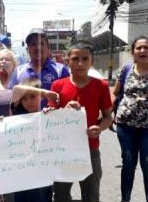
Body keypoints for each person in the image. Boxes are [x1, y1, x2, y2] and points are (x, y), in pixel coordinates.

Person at [49, 40, 113, 202]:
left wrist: (99, 128)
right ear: (67, 60)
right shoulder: (57, 85)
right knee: (61, 196)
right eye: (75, 58)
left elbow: (108, 117)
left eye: (85, 59)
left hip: (90, 150)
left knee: (91, 195)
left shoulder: (101, 86)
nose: (80, 63)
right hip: (63, 151)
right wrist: (64, 111)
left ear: (92, 61)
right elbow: (48, 117)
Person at [113, 36, 148, 202]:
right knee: (128, 164)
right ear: (133, 51)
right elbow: (115, 94)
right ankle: (125, 199)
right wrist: (107, 116)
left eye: (146, 48)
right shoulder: (126, 69)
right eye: (138, 48)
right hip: (126, 126)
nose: (142, 51)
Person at [9, 80, 58, 202]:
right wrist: (45, 92)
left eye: (33, 96)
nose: (29, 101)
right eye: (24, 98)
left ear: (41, 98)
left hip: (41, 173)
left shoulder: (48, 115)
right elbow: (16, 89)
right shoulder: (16, 116)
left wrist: (49, 117)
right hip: (21, 173)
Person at [9, 28, 69, 108]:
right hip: (26, 120)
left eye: (41, 43)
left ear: (48, 48)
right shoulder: (18, 71)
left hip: (54, 120)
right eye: (33, 44)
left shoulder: (61, 70)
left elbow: (67, 98)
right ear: (27, 49)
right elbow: (13, 98)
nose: (38, 47)